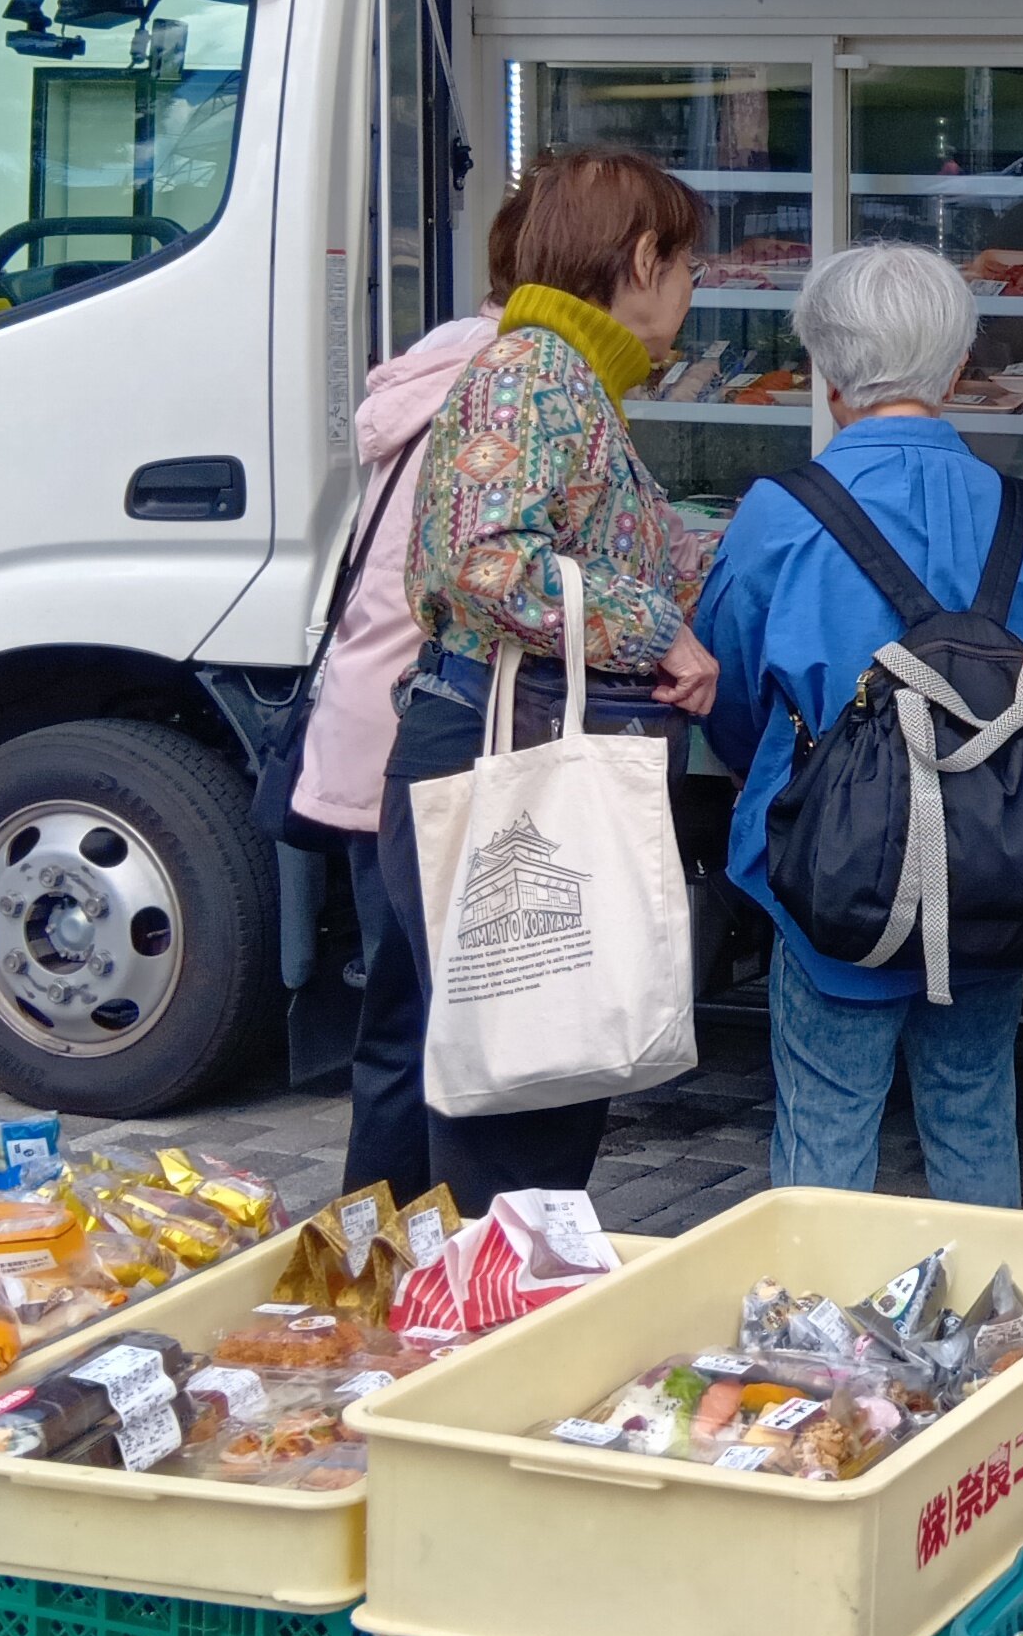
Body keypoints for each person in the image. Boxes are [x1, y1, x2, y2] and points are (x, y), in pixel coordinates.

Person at [694, 240, 1023, 1203]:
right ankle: (985, 1300)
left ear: (825, 372)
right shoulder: (1021, 512)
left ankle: (819, 1302)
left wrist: (779, 777)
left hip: (832, 876)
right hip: (991, 863)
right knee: (975, 1106)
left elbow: (728, 686)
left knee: (826, 1122)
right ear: (958, 369)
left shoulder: (781, 513)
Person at [373, 145, 721, 1210]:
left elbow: (608, 547)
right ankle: (497, 1304)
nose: (693, 288)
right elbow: (481, 564)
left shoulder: (571, 379)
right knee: (521, 1091)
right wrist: (658, 630)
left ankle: (453, 1293)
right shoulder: (531, 374)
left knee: (517, 1077)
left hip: (515, 739)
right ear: (643, 256)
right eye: (688, 264)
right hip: (505, 748)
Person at [299, 181, 528, 1192]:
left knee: (398, 1020)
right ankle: (434, 1249)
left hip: (373, 725)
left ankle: (375, 1241)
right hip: (426, 732)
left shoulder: (435, 370)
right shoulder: (503, 394)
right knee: (445, 1025)